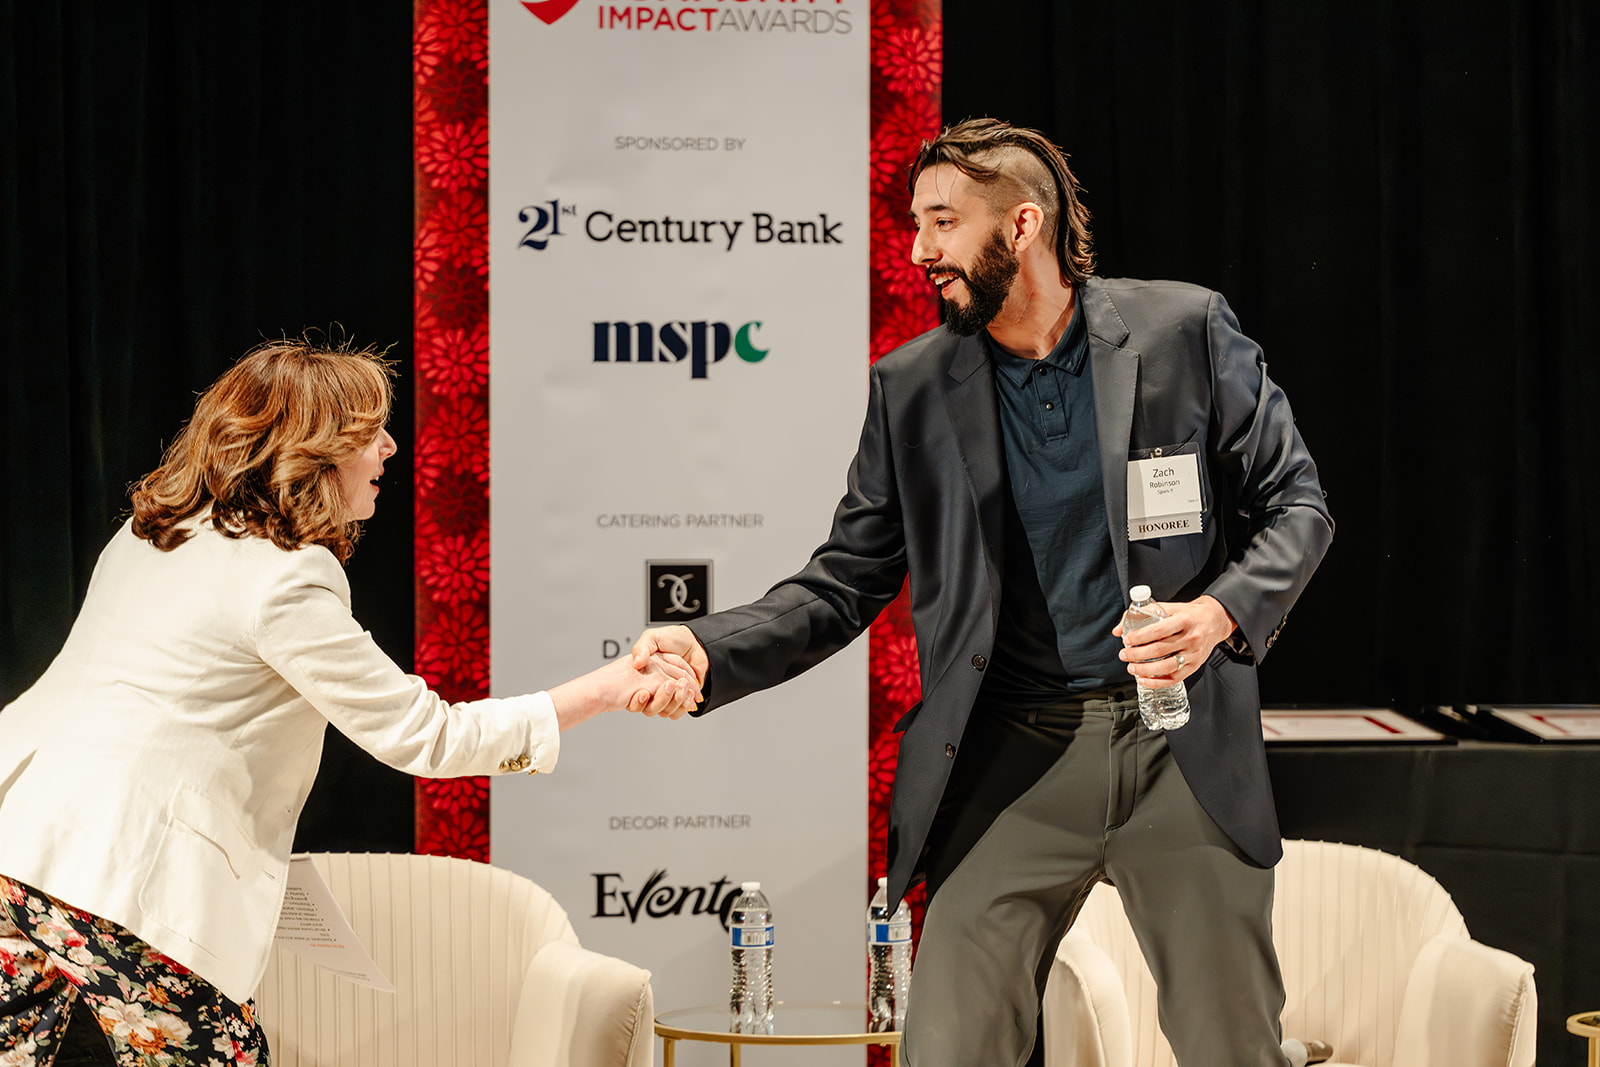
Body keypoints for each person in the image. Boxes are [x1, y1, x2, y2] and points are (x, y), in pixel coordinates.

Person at [632, 118, 1334, 1067]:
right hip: (1012, 755)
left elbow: (1298, 504)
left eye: (942, 222)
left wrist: (1218, 614)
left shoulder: (1183, 332)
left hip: (1175, 745)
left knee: (1231, 1048)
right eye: (916, 223)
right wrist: (709, 645)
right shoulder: (913, 388)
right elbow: (844, 579)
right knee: (949, 1046)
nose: (919, 250)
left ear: (1021, 225)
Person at [0, 338, 700, 1065]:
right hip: (116, 870)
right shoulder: (286, 578)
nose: (391, 446)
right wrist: (609, 687)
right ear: (314, 452)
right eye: (370, 432)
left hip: (16, 839)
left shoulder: (154, 534)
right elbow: (428, 737)